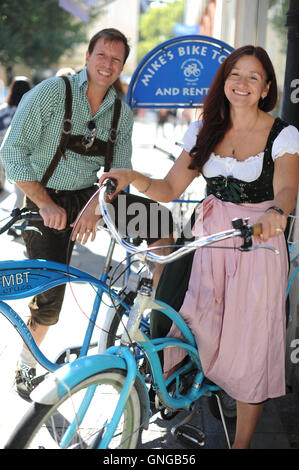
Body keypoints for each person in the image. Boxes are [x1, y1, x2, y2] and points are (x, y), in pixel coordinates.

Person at [99, 45, 299, 449]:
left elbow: (287, 187)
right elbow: (170, 188)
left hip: (257, 241)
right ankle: (186, 395)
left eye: (253, 77)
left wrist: (276, 212)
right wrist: (133, 176)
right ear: (224, 80)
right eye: (235, 74)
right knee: (192, 319)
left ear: (266, 89)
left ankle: (239, 445)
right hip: (209, 237)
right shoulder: (204, 128)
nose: (242, 84)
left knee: (249, 342)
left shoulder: (283, 134)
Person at [0, 28, 173, 398]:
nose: (107, 64)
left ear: (122, 66)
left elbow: (121, 171)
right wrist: (44, 203)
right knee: (49, 301)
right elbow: (11, 154)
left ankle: (151, 310)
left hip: (94, 195)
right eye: (102, 55)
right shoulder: (50, 93)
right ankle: (26, 366)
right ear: (87, 56)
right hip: (45, 197)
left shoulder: (120, 113)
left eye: (116, 59)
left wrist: (98, 205)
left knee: (162, 224)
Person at [0, 76, 32, 215]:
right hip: (25, 157)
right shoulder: (28, 110)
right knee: (22, 193)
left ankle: (16, 221)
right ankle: (17, 221)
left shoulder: (2, 110)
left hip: (2, 156)